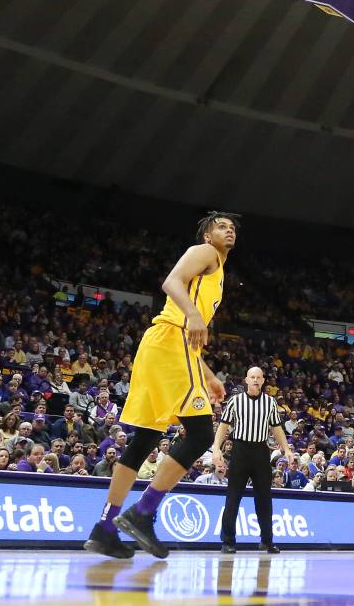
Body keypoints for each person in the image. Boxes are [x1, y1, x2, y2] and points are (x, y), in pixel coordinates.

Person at [82, 213, 235, 560]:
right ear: (208, 236)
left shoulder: (217, 270)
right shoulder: (205, 252)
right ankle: (143, 512)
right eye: (221, 226)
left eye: (233, 227)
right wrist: (195, 316)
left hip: (160, 346)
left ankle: (104, 529)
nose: (229, 230)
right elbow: (171, 283)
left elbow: (181, 328)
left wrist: (208, 374)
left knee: (146, 439)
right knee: (199, 436)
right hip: (170, 343)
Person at [215, 366, 291, 553]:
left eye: (259, 377)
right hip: (240, 449)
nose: (255, 380)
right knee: (233, 496)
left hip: (260, 451)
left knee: (264, 498)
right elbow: (224, 426)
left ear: (263, 380)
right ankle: (228, 541)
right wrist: (216, 448)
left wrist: (287, 449)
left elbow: (277, 428)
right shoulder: (235, 401)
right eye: (252, 377)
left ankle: (267, 540)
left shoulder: (270, 403)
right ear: (246, 380)